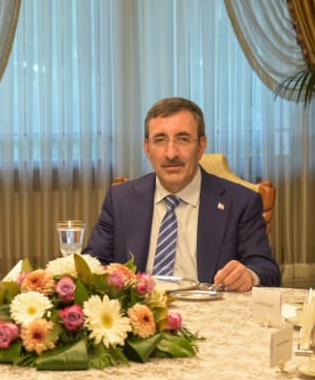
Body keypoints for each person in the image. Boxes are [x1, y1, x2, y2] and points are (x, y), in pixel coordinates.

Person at [87, 97, 280, 291]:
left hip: (209, 307)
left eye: (183, 139)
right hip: (142, 308)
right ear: (147, 148)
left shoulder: (241, 202)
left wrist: (248, 276)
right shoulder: (120, 199)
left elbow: (266, 269)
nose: (171, 154)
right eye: (160, 140)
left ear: (201, 146)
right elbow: (92, 264)